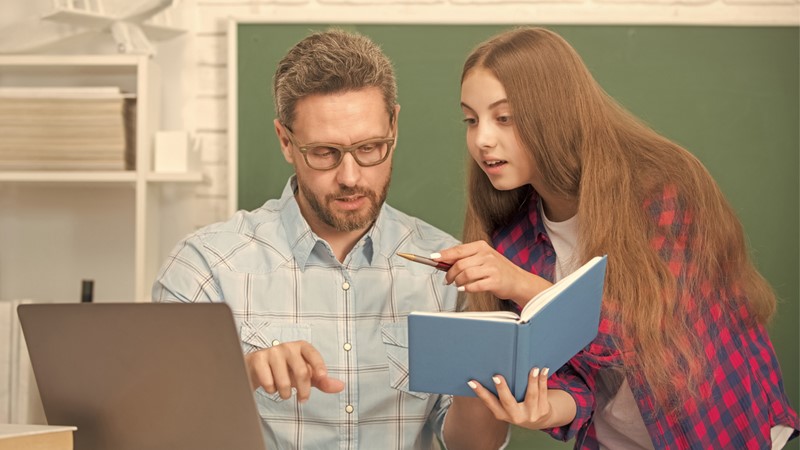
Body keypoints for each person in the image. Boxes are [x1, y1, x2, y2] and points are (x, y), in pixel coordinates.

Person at [432, 27, 799, 449]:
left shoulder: (663, 189)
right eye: (471, 120)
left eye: (504, 118)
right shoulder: (512, 240)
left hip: (718, 433)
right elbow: (580, 384)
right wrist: (544, 408)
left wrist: (524, 286)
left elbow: (650, 339)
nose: (482, 139)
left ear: (553, 111)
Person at [152, 29, 507, 449]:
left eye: (370, 148)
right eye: (324, 153)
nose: (350, 177)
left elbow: (473, 446)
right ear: (286, 141)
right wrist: (240, 374)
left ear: (394, 125)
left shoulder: (447, 272)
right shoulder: (205, 266)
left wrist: (488, 358)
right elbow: (157, 424)